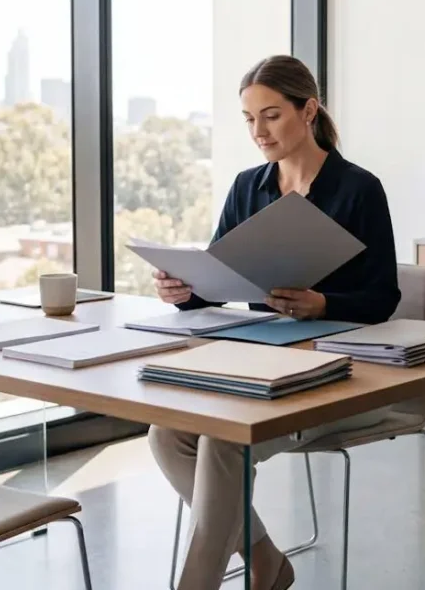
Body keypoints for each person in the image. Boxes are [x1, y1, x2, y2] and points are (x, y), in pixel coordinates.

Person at [148, 55, 400, 590]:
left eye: (271, 116)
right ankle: (266, 562)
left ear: (308, 110)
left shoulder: (358, 189)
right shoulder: (248, 187)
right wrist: (185, 291)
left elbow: (382, 298)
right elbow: (220, 282)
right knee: (166, 435)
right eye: (248, 119)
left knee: (221, 441)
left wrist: (323, 304)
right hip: (257, 360)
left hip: (337, 371)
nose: (258, 132)